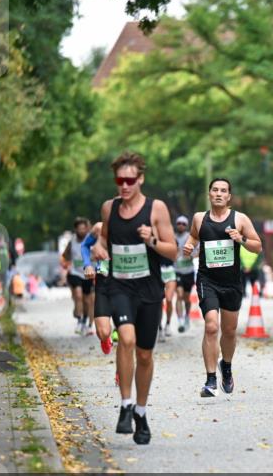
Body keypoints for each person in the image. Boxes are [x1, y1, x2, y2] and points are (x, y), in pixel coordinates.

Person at [92, 151, 177, 445]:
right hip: (120, 286)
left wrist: (151, 240)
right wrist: (99, 250)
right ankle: (125, 405)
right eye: (120, 180)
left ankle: (141, 412)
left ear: (140, 179)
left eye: (130, 180)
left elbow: (173, 250)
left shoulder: (156, 210)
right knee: (125, 339)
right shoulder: (108, 208)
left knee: (144, 354)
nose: (124, 186)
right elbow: (103, 240)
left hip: (149, 290)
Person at [181, 177, 262, 397]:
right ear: (209, 194)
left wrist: (241, 239)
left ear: (229, 197)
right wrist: (189, 246)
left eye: (223, 191)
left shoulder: (240, 219)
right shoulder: (199, 218)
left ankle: (226, 366)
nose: (218, 193)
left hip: (232, 283)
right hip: (208, 280)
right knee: (211, 327)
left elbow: (257, 246)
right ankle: (210, 380)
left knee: (229, 331)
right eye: (214, 190)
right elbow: (193, 238)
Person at [81, 221, 115, 354]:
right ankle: (106, 338)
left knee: (127, 333)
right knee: (103, 332)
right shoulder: (99, 228)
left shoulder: (137, 224)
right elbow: (85, 245)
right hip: (104, 278)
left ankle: (123, 372)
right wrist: (87, 264)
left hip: (127, 281)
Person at [63, 217, 94, 336]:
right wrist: (67, 262)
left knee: (88, 301)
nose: (81, 231)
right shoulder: (72, 241)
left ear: (86, 229)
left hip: (87, 273)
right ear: (75, 229)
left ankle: (85, 320)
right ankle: (79, 319)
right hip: (75, 272)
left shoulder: (91, 239)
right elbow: (65, 255)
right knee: (78, 294)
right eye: (79, 229)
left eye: (83, 228)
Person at [173, 215, 196, 333]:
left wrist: (190, 256)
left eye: (183, 223)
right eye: (178, 223)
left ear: (186, 226)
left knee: (187, 298)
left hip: (189, 271)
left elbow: (198, 251)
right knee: (179, 295)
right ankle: (180, 320)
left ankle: (187, 316)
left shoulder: (190, 237)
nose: (180, 225)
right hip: (177, 271)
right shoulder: (172, 237)